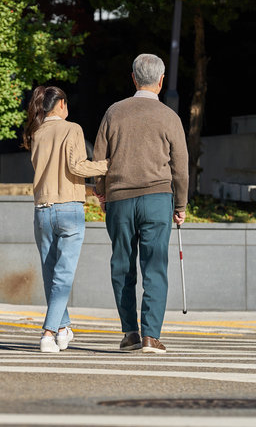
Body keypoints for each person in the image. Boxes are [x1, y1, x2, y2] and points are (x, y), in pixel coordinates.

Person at [93, 53, 189, 354]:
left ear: (133, 78)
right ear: (160, 82)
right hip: (158, 199)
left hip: (120, 198)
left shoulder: (113, 112)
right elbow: (181, 167)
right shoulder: (169, 117)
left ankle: (130, 334)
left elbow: (99, 160)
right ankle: (151, 336)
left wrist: (101, 193)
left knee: (122, 265)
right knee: (155, 267)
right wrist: (181, 204)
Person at [23, 85, 109, 353]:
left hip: (42, 210)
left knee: (52, 275)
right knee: (63, 275)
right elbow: (77, 166)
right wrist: (109, 165)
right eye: (66, 103)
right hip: (69, 208)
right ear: (60, 103)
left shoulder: (36, 133)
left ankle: (63, 328)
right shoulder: (72, 128)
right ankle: (48, 333)